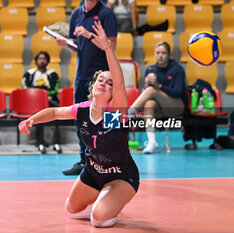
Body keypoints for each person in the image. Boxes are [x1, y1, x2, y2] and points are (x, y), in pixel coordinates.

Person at [19, 22, 139, 228]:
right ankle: (103, 196)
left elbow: (119, 81)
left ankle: (112, 200)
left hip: (121, 176)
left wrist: (107, 48)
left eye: (109, 84)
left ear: (113, 94)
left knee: (99, 220)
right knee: (71, 208)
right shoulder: (82, 109)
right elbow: (56, 112)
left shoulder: (114, 115)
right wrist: (32, 119)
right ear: (93, 86)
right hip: (93, 173)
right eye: (101, 80)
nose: (104, 83)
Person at [56, 0, 117, 175]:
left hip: (103, 75)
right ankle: (85, 161)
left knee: (108, 117)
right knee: (81, 118)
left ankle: (110, 159)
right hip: (81, 74)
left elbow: (112, 47)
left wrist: (89, 34)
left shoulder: (106, 14)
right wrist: (66, 44)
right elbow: (78, 47)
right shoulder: (76, 14)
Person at [128, 42, 188, 154]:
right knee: (149, 104)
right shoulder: (150, 69)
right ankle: (152, 143)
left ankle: (128, 113)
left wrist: (159, 87)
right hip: (159, 106)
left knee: (151, 91)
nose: (160, 56)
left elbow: (178, 92)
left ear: (169, 55)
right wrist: (147, 85)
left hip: (176, 105)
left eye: (164, 53)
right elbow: (147, 93)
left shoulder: (177, 69)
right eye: (158, 53)